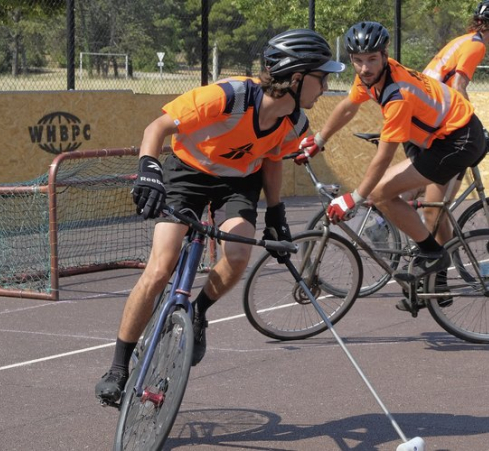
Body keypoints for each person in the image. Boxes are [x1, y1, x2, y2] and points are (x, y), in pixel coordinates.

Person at [95, 29, 345, 406]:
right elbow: (157, 128)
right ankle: (117, 367)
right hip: (188, 174)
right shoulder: (229, 95)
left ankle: (197, 312)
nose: (325, 86)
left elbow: (273, 159)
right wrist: (149, 169)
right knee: (162, 267)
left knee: (239, 253)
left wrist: (275, 212)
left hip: (237, 185)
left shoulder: (294, 123)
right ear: (296, 77)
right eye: (321, 77)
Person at [298, 21, 487, 310]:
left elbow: (384, 156)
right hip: (435, 136)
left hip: (457, 140)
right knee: (410, 200)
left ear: (385, 54)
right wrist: (320, 138)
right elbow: (349, 105)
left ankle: (432, 253)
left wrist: (355, 198)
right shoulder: (370, 77)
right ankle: (437, 286)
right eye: (358, 61)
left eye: (372, 59)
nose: (364, 68)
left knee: (380, 193)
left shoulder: (398, 95)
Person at [420, 0, 489, 247]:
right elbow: (458, 87)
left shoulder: (463, 40)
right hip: (435, 115)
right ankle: (436, 263)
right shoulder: (476, 46)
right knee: (439, 202)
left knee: (434, 192)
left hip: (429, 111)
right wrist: (476, 126)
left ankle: (389, 220)